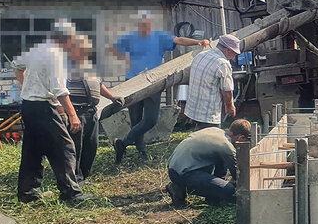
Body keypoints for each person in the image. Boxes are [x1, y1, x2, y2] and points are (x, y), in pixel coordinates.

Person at [111, 10, 207, 163]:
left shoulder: (159, 36)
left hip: (152, 82)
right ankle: (141, 152)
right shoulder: (130, 37)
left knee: (150, 120)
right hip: (132, 83)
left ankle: (122, 143)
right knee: (136, 120)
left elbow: (179, 40)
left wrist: (197, 42)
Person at [13, 21, 88, 204]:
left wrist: (27, 86)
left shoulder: (37, 50)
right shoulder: (56, 56)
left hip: (29, 105)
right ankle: (71, 193)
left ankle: (28, 192)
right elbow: (59, 89)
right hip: (43, 107)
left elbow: (16, 65)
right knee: (64, 148)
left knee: (33, 149)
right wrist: (72, 115)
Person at [165, 118, 250, 207]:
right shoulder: (226, 146)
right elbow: (238, 175)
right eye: (245, 143)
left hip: (175, 167)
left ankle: (212, 195)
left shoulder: (216, 131)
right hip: (183, 174)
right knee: (229, 191)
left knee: (221, 161)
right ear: (241, 138)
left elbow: (223, 164)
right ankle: (179, 188)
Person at [66, 35, 117, 180]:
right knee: (76, 147)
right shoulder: (65, 67)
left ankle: (85, 174)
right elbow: (60, 91)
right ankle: (74, 178)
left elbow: (98, 85)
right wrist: (69, 113)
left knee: (91, 145)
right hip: (76, 112)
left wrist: (112, 97)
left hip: (91, 111)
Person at [184, 34, 240, 130]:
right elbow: (227, 91)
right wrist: (230, 107)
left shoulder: (200, 56)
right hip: (208, 114)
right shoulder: (223, 63)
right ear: (227, 50)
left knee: (198, 135)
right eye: (234, 53)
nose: (234, 57)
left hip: (193, 109)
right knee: (211, 140)